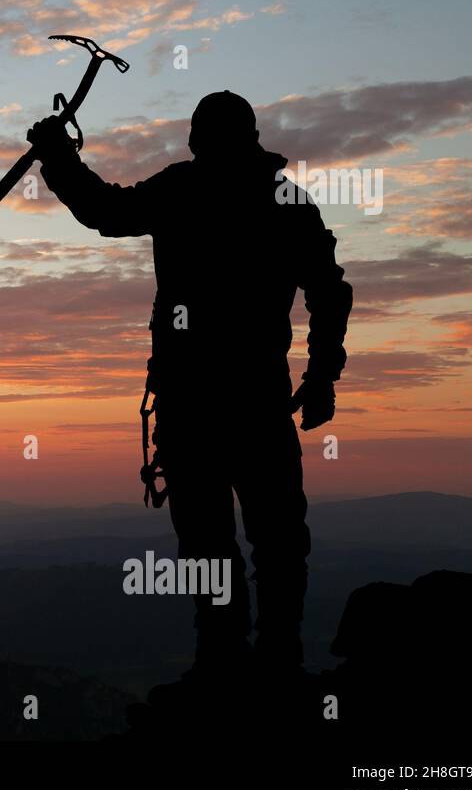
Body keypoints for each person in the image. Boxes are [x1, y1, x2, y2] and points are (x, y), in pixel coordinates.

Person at [29, 91, 352, 674]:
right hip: (254, 399)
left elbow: (107, 211)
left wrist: (58, 158)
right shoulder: (285, 202)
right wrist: (322, 375)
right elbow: (329, 290)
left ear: (199, 139)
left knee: (211, 542)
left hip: (193, 400)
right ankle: (275, 660)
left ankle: (223, 660)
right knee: (275, 541)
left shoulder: (182, 189)